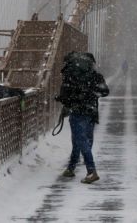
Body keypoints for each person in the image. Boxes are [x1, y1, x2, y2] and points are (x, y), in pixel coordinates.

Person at [55, 51, 109, 183]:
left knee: (79, 140)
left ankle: (91, 171)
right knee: (85, 140)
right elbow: (105, 91)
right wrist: (91, 94)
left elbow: (65, 96)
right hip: (91, 111)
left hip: (78, 112)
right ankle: (71, 168)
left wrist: (62, 99)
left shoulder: (70, 75)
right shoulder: (95, 76)